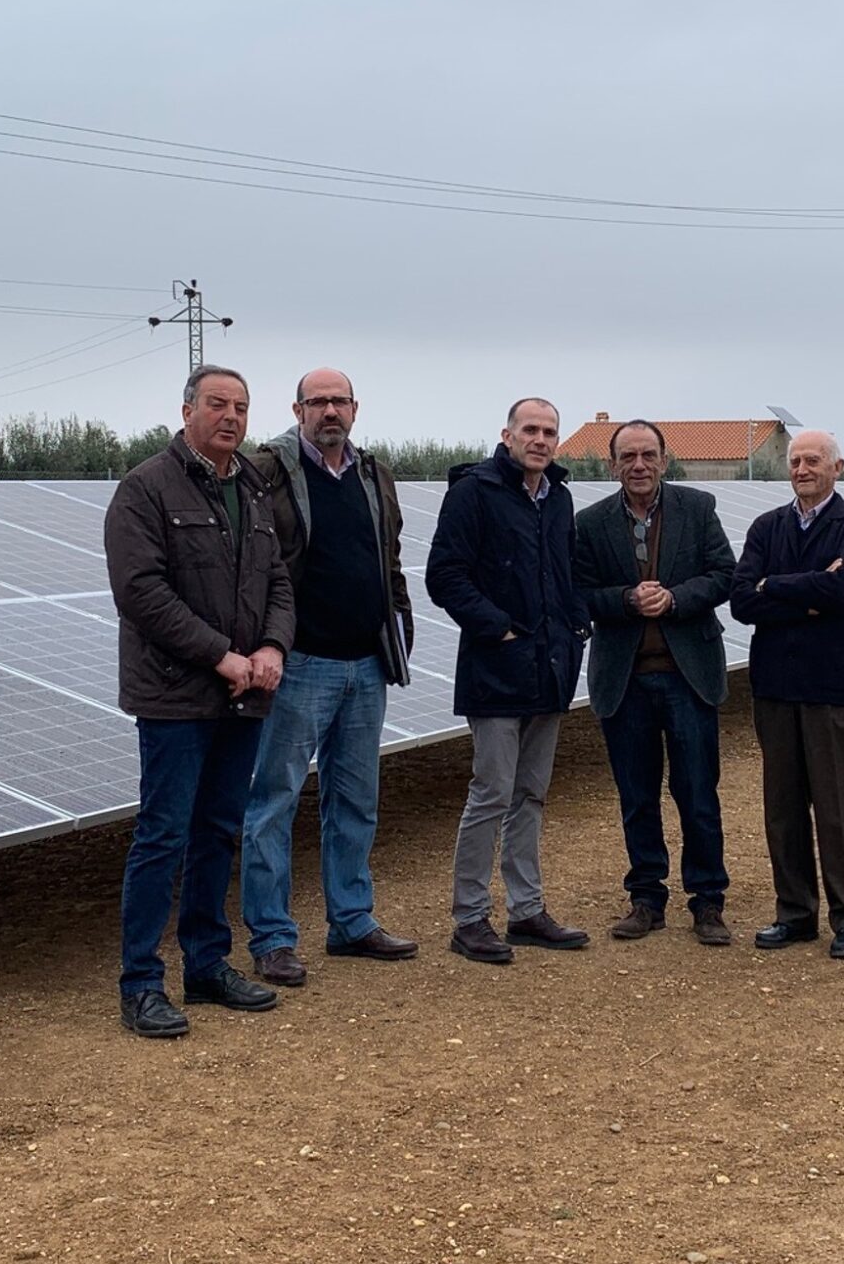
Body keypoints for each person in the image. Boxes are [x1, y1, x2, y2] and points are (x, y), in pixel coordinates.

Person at [103, 365, 294, 1037]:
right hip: (177, 696)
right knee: (164, 835)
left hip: (244, 694)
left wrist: (272, 648)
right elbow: (142, 593)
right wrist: (220, 655)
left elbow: (277, 581)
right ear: (186, 410)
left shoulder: (254, 487)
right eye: (217, 404)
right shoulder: (145, 489)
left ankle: (208, 964)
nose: (231, 417)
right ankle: (140, 983)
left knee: (218, 831)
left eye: (241, 406)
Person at [239, 367, 420, 985]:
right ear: (297, 410)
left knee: (355, 801)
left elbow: (388, 557)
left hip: (364, 664)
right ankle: (272, 936)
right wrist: (268, 644)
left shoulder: (372, 473)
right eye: (317, 402)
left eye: (338, 400)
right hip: (301, 663)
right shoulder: (267, 472)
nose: (329, 411)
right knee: (273, 802)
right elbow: (254, 564)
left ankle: (351, 920)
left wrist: (397, 627)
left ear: (356, 408)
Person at [424, 397, 592, 963]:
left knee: (532, 795)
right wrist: (498, 629)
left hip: (549, 670)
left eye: (549, 432)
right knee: (491, 793)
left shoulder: (559, 498)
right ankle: (469, 918)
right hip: (497, 670)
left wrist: (574, 631)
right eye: (531, 430)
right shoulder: (474, 492)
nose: (540, 440)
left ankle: (526, 910)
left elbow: (565, 575)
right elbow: (444, 575)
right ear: (507, 435)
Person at [573, 420, 739, 945]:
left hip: (688, 676)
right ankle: (646, 897)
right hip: (624, 680)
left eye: (648, 455)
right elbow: (577, 594)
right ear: (612, 465)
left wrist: (675, 599)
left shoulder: (698, 508)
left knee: (696, 792)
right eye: (628, 457)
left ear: (664, 460)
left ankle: (708, 900)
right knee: (637, 795)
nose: (638, 465)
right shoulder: (590, 523)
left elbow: (723, 575)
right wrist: (625, 600)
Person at [728, 429, 844, 959]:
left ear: (838, 467)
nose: (802, 468)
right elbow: (743, 600)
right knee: (784, 806)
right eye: (795, 461)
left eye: (813, 460)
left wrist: (778, 585)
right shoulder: (766, 526)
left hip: (836, 686)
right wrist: (807, 589)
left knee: (841, 808)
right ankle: (794, 913)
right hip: (776, 687)